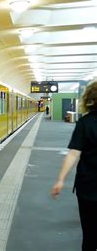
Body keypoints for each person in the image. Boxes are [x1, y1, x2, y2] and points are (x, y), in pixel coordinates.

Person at [51, 81, 97, 251]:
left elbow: (74, 153)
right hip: (88, 187)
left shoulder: (85, 123)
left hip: (88, 188)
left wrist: (60, 180)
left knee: (90, 235)